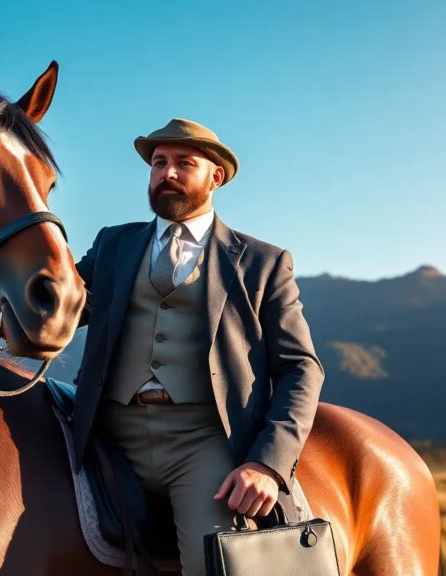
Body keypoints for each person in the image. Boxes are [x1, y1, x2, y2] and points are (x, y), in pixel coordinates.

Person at [71, 118, 324, 575]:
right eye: (158, 163)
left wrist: (268, 464)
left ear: (215, 177)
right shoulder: (112, 244)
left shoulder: (263, 263)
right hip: (108, 434)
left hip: (202, 441)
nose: (166, 173)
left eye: (184, 163)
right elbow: (57, 308)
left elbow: (301, 369)